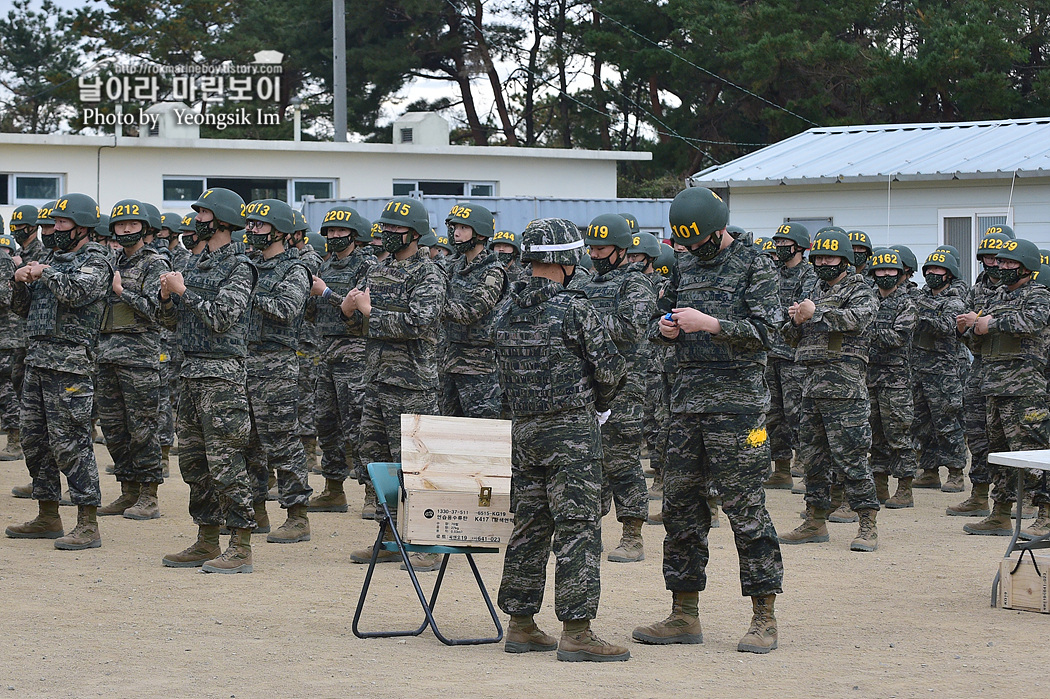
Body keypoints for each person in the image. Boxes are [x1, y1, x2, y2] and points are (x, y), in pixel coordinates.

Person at [634, 187, 783, 654]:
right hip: (685, 404)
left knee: (745, 507)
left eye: (697, 243)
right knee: (680, 509)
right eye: (684, 244)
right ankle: (683, 612)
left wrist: (713, 324)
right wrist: (666, 328)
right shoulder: (680, 265)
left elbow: (768, 332)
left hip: (739, 409)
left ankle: (763, 616)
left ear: (718, 230)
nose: (690, 252)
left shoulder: (756, 265)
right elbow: (659, 317)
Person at [492, 217, 629, 662]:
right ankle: (576, 632)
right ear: (568, 259)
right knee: (577, 529)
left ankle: (520, 624)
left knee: (528, 527)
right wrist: (600, 402)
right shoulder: (575, 308)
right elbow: (609, 369)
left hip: (524, 431)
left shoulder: (505, 309)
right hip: (570, 434)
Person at [158, 187, 258, 573]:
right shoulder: (195, 263)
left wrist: (183, 292)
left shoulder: (240, 266)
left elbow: (221, 316)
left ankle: (241, 544)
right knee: (195, 464)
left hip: (222, 376)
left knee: (226, 463)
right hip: (189, 373)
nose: (196, 220)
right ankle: (205, 539)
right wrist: (168, 298)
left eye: (203, 214)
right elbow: (170, 322)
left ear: (221, 221)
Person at [5, 193, 113, 550]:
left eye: (60, 224)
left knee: (72, 444)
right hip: (37, 361)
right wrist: (19, 281)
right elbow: (23, 309)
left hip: (70, 366)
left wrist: (45, 272)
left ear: (81, 227)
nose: (52, 230)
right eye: (50, 225)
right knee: (36, 442)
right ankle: (47, 514)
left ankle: (87, 523)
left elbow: (80, 291)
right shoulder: (49, 257)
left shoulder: (95, 259)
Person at [346, 197, 445, 570]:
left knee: (416, 468)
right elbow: (361, 324)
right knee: (376, 463)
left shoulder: (429, 274)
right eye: (384, 228)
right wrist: (350, 312)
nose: (387, 234)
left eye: (396, 229)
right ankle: (389, 536)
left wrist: (372, 313)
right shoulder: (376, 269)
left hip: (413, 385)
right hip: (377, 380)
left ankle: (424, 543)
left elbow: (421, 323)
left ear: (415, 234)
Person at [779, 227, 880, 552]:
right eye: (818, 257)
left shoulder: (860, 288)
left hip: (845, 390)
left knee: (852, 457)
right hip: (811, 387)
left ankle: (867, 524)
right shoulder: (813, 289)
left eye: (830, 257)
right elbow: (791, 336)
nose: (823, 262)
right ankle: (815, 520)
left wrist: (816, 313)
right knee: (813, 458)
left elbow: (861, 319)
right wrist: (794, 321)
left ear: (845, 260)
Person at [958, 238, 1050, 537]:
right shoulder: (995, 296)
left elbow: (1032, 322)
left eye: (1011, 263)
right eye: (1001, 263)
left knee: (1032, 453)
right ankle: (1000, 514)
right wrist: (967, 330)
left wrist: (989, 322)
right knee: (998, 455)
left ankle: (1046, 515)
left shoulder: (1038, 295)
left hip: (1024, 389)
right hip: (992, 386)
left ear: (1026, 267)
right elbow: (979, 343)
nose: (1003, 267)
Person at [577, 213, 655, 563]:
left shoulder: (635, 284)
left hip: (625, 384)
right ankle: (587, 530)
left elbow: (630, 328)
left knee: (622, 459)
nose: (594, 254)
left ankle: (632, 533)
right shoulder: (584, 283)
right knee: (587, 458)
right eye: (591, 247)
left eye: (602, 248)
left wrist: (582, 323)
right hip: (588, 383)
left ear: (621, 248)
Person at [242, 199, 314, 543]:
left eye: (259, 225)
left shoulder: (295, 269)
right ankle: (257, 510)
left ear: (280, 232)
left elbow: (286, 309)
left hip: (277, 365)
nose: (252, 230)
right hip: (245, 362)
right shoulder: (248, 264)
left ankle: (297, 516)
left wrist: (246, 290)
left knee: (282, 441)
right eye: (250, 224)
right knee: (248, 443)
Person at [94, 199, 171, 521]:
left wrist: (121, 290)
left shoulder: (156, 264)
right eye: (120, 225)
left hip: (139, 358)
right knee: (114, 428)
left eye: (133, 225)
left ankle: (148, 495)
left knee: (143, 428)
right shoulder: (109, 261)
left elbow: (158, 311)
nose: (126, 229)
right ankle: (127, 491)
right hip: (106, 354)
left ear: (144, 229)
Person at [306, 206, 376, 516]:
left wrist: (326, 293)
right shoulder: (324, 264)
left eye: (340, 231)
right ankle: (333, 488)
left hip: (356, 356)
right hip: (326, 354)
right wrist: (314, 297)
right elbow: (313, 311)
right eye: (330, 231)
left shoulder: (367, 266)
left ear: (354, 234)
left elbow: (359, 307)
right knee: (326, 424)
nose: (334, 236)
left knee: (359, 427)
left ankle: (373, 494)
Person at [949, 230, 1011, 517]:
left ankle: (1010, 499)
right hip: (980, 369)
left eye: (999, 257)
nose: (993, 263)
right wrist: (966, 328)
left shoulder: (1019, 288)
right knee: (977, 434)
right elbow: (971, 339)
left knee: (1008, 438)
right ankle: (978, 494)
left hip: (1010, 372)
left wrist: (987, 323)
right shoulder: (976, 289)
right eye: (988, 257)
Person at [763, 222, 817, 490]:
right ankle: (781, 469)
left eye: (785, 243)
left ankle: (808, 469)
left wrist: (781, 312)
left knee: (798, 414)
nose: (780, 248)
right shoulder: (773, 273)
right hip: (771, 352)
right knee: (774, 415)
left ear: (798, 246)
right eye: (778, 243)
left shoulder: (810, 276)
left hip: (795, 355)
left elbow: (800, 310)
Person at [441, 203, 507, 419]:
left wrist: (432, 304)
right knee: (446, 430)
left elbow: (471, 311)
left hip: (479, 367)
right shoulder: (453, 266)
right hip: (450, 360)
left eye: (463, 228)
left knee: (482, 434)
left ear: (479, 234)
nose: (456, 233)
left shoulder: (492, 271)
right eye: (454, 227)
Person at [909, 251, 967, 492]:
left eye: (938, 270)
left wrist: (919, 316)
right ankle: (929, 471)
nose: (933, 274)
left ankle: (955, 473)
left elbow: (946, 325)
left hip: (944, 373)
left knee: (947, 424)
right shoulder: (917, 297)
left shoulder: (954, 300)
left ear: (949, 275)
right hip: (918, 370)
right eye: (929, 270)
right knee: (921, 424)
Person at [867, 249, 919, 507]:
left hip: (896, 380)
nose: (885, 275)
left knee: (899, 433)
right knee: (874, 434)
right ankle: (879, 485)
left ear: (899, 273)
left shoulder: (907, 303)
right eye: (880, 270)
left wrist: (868, 329)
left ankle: (905, 487)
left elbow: (899, 338)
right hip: (868, 377)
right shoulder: (868, 299)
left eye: (890, 271)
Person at [0, 230, 27, 461]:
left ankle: (15, 441)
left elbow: (6, 295)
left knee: (6, 387)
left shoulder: (2, 259)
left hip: (7, 337)